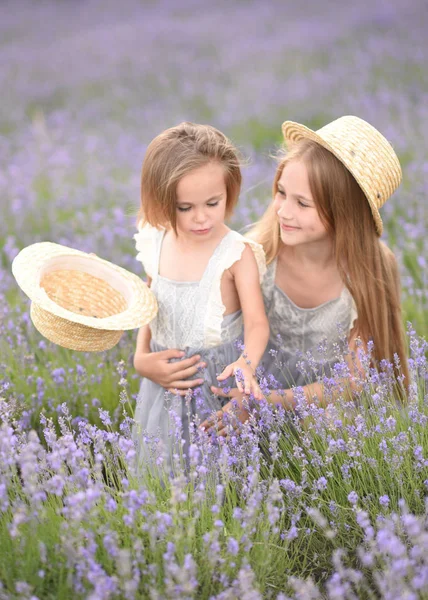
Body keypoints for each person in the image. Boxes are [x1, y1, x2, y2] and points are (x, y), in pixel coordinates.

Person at [202, 115, 409, 434]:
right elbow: (213, 326)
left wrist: (266, 402)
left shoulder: (368, 273)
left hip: (323, 406)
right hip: (248, 387)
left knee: (329, 430)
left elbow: (352, 381)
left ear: (344, 213)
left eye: (302, 203)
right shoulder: (261, 251)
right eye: (281, 193)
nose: (283, 211)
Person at [132, 122, 269, 464]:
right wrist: (141, 357)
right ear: (162, 201)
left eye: (212, 202)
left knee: (217, 483)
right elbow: (150, 302)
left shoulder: (236, 254)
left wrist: (247, 364)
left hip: (214, 386)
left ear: (230, 191)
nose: (201, 218)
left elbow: (257, 324)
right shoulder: (157, 238)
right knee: (161, 475)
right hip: (163, 383)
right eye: (184, 207)